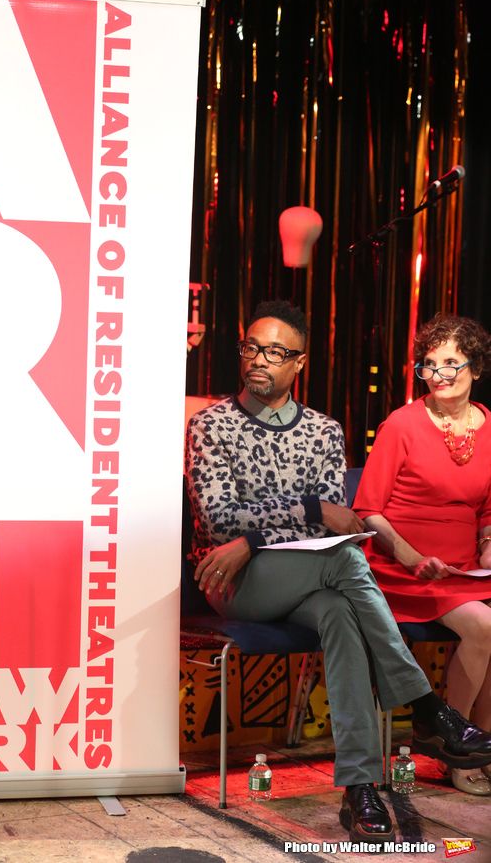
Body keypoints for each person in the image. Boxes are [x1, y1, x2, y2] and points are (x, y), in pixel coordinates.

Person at [184, 300, 491, 849]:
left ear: (299, 362)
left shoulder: (323, 431)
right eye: (251, 348)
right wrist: (294, 517)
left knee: (344, 614)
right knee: (345, 560)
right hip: (236, 583)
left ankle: (359, 787)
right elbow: (221, 518)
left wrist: (261, 532)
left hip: (309, 576)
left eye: (274, 352)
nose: (259, 359)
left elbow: (336, 521)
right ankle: (426, 707)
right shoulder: (211, 424)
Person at [353, 313, 491, 796]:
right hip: (404, 568)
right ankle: (454, 746)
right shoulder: (402, 424)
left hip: (464, 571)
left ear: (476, 367)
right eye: (429, 364)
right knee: (483, 625)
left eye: (451, 363)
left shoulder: (489, 426)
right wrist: (412, 558)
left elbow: (488, 508)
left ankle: (484, 744)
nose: (438, 374)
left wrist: (488, 547)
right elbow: (368, 510)